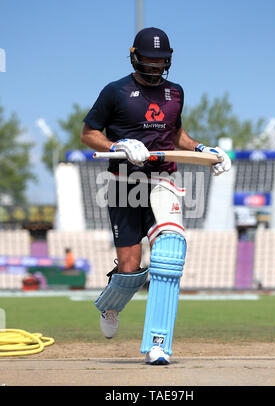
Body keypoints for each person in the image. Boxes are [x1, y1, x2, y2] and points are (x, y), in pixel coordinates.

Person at [81, 27, 231, 365]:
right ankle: (110, 304)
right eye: (149, 60)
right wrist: (117, 145)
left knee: (170, 255)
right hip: (124, 184)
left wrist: (204, 150)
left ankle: (157, 344)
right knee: (131, 268)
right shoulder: (115, 91)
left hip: (164, 179)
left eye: (161, 61)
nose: (155, 66)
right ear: (135, 56)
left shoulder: (175, 92)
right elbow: (88, 133)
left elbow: (176, 132)